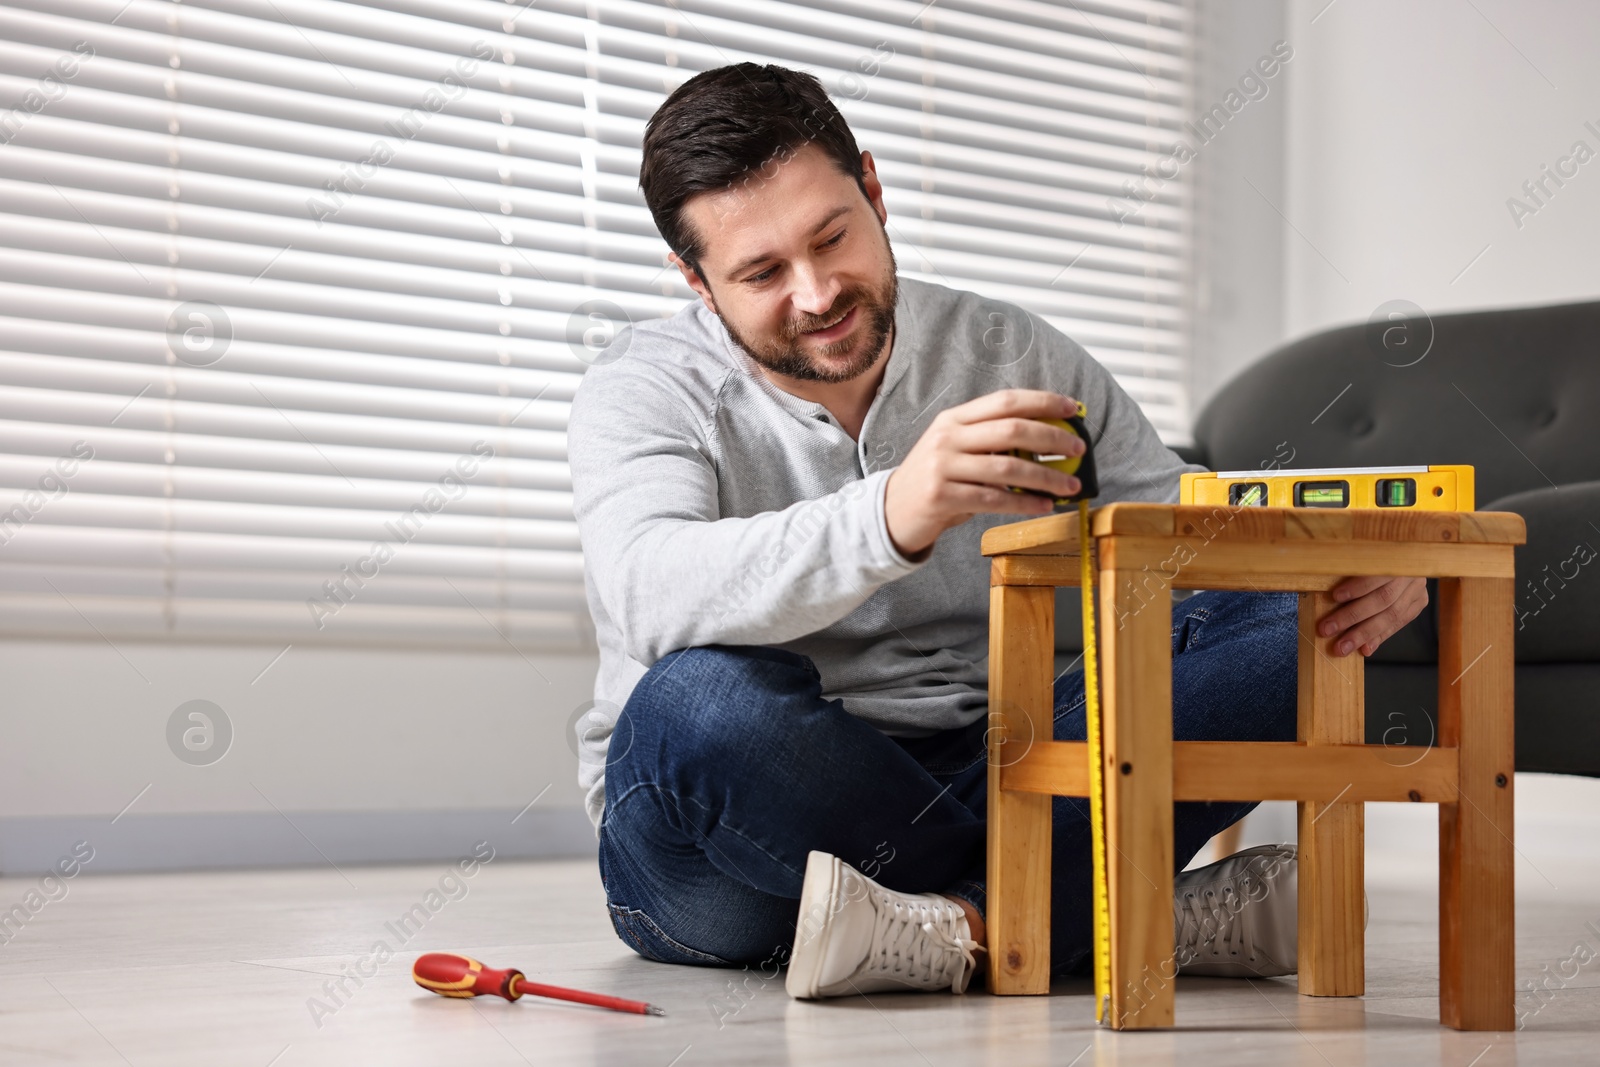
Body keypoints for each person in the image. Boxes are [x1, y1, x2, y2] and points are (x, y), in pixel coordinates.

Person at [566, 63, 1428, 999]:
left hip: (997, 758)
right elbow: (647, 591)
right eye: (763, 273)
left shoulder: (1008, 352)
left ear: (875, 189)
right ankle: (1110, 907)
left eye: (832, 236)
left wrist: (1349, 570)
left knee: (1290, 625)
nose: (817, 294)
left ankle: (967, 924)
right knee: (694, 703)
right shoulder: (645, 386)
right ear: (696, 281)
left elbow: (1181, 533)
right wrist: (893, 513)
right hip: (737, 835)